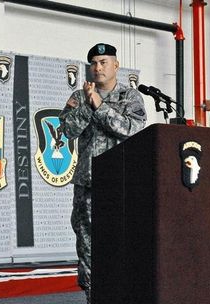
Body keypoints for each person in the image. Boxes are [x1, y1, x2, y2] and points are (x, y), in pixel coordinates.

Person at [58, 43, 146, 303]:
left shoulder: (130, 97)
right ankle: (93, 298)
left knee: (123, 244)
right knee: (88, 247)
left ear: (116, 65)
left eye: (103, 62)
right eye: (94, 63)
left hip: (122, 184)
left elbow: (132, 129)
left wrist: (99, 106)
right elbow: (66, 130)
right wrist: (88, 104)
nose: (97, 68)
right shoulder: (79, 95)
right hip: (88, 184)